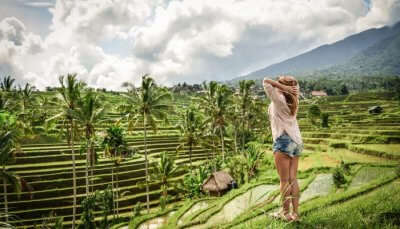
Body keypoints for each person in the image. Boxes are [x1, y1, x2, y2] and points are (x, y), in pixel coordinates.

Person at [263, 75, 304, 222]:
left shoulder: (278, 99)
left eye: (279, 84)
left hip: (284, 141)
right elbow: (294, 86)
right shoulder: (294, 98)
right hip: (297, 141)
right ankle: (296, 214)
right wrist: (286, 87)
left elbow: (266, 81)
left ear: (282, 86)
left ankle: (285, 214)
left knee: (284, 181)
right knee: (293, 179)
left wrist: (282, 87)